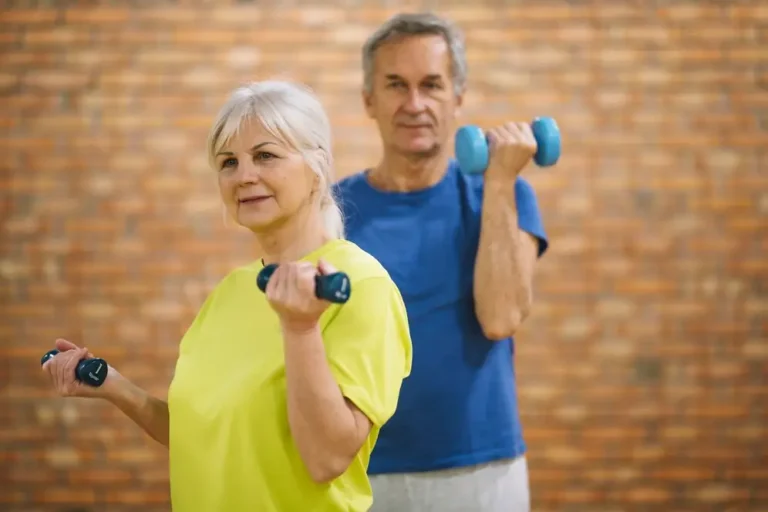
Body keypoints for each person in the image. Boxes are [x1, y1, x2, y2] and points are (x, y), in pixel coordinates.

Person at [41, 80, 413, 512]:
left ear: (317, 167)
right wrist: (114, 387)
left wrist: (300, 327)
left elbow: (327, 458)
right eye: (228, 162)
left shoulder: (362, 286)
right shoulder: (232, 290)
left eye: (266, 155)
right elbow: (205, 433)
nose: (244, 176)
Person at [334, 12, 550, 512]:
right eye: (395, 85)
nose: (415, 104)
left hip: (480, 470)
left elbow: (501, 318)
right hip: (361, 469)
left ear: (458, 97)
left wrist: (497, 182)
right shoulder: (330, 213)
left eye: (431, 85)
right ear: (369, 99)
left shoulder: (507, 194)